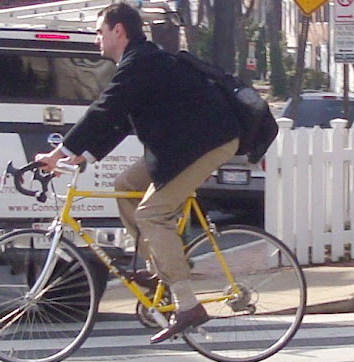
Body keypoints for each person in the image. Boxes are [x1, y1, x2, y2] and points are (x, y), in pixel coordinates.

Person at [35, 2, 241, 344]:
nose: (96, 40)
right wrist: (81, 157)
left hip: (206, 143)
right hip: (178, 145)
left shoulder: (142, 61)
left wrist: (60, 151)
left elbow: (104, 108)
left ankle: (187, 303)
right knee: (125, 184)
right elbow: (118, 121)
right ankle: (160, 268)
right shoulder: (139, 62)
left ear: (119, 30)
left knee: (151, 213)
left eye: (100, 32)